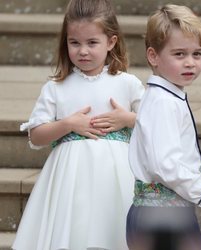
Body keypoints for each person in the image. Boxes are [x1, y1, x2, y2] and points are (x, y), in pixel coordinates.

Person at [12, 0, 144, 249]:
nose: (83, 51)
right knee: (73, 233)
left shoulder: (127, 83)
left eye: (92, 43)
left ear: (111, 42)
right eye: (75, 43)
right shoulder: (56, 87)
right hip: (69, 182)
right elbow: (37, 135)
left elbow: (156, 123)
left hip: (117, 179)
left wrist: (128, 119)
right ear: (66, 43)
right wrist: (67, 124)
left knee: (114, 231)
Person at [126, 4, 201, 250]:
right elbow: (164, 163)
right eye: (179, 54)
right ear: (153, 56)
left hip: (165, 212)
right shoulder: (163, 102)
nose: (190, 63)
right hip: (163, 217)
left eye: (196, 54)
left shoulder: (166, 96)